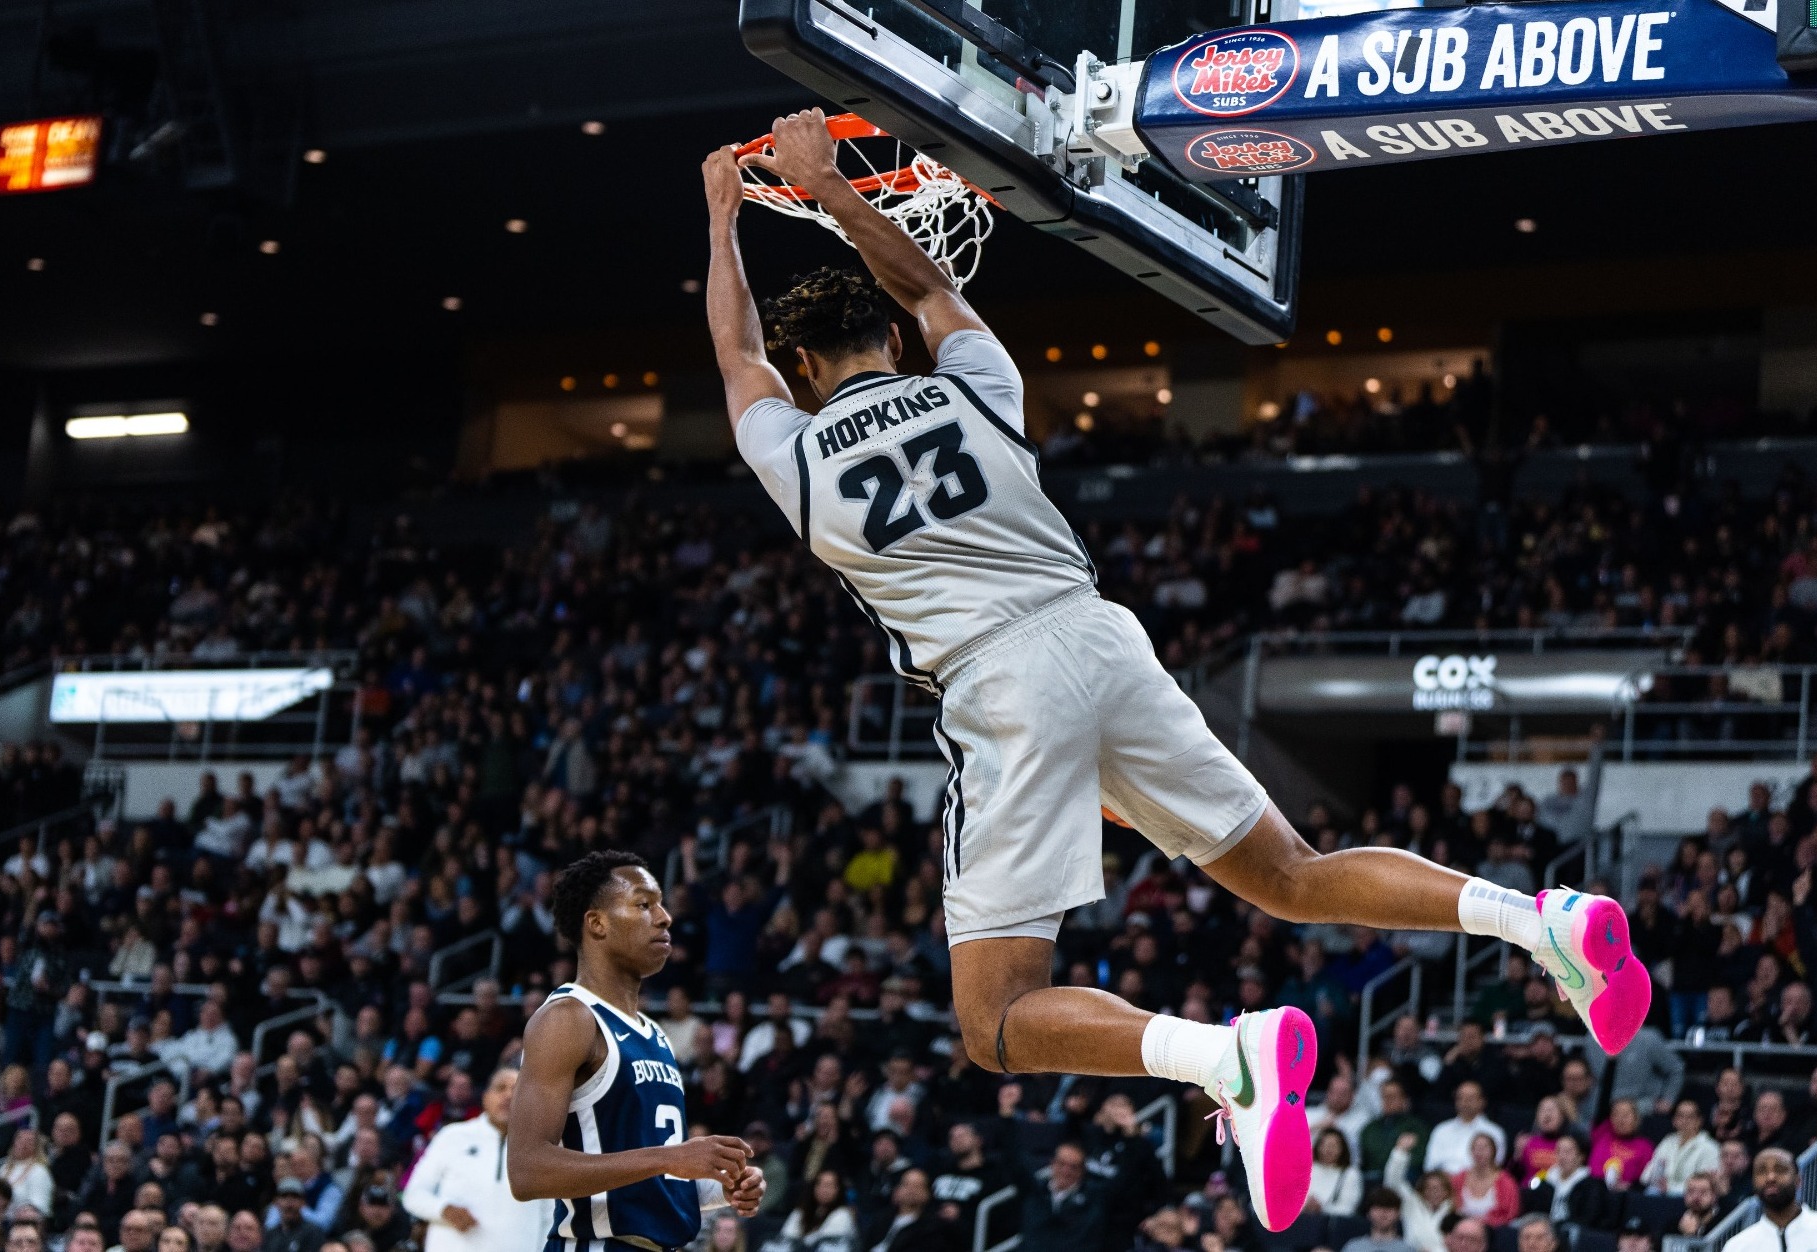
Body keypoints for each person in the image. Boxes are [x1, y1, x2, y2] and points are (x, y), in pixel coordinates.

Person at [702, 108, 1648, 1233]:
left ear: (807, 371)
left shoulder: (797, 452)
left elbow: (735, 353)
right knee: (1292, 874)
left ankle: (1226, 1054)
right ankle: (1536, 920)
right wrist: (838, 195)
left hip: (996, 681)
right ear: (897, 344)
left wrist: (726, 218)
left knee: (993, 1022)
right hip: (1102, 636)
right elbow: (930, 290)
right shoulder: (976, 382)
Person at [510, 850, 766, 1252]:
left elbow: (645, 1185)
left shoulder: (655, 1033)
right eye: (644, 905)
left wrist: (719, 1185)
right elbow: (527, 1172)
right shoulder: (567, 1019)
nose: (664, 916)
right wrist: (668, 1158)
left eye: (662, 904)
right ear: (597, 923)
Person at [402, 1068, 549, 1252]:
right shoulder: (453, 1136)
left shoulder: (542, 1149)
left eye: (517, 1089)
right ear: (486, 1097)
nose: (508, 1095)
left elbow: (550, 1218)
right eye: (500, 1088)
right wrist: (443, 1210)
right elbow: (413, 1194)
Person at [1720, 1149, 1817, 1252]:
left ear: (1798, 1180)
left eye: (1780, 1169)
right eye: (1762, 1171)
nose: (1771, 1177)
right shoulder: (1737, 1246)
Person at [864, 1168, 954, 1252]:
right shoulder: (882, 1218)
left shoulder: (932, 1228)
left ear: (927, 1194)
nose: (911, 1190)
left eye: (917, 1186)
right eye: (906, 1185)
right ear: (897, 1190)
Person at [1425, 1084, 1505, 1178]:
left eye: (1470, 1098)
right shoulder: (1441, 1129)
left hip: (1475, 1183)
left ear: (1482, 1101)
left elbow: (1495, 1166)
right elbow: (1429, 1166)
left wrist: (1462, 1180)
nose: (1464, 1102)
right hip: (1443, 1184)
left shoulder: (1494, 1132)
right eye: (1460, 1098)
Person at [1641, 1100, 1720, 1194]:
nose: (1685, 1121)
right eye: (1680, 1116)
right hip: (1660, 1191)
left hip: (1690, 1196)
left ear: (1699, 1121)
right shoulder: (1668, 1141)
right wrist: (1655, 1180)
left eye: (1690, 1117)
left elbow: (1705, 1183)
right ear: (1674, 1120)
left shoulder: (1710, 1147)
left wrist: (1671, 1188)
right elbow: (1647, 1174)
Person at [773, 1170, 857, 1252]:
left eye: (828, 1185)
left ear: (838, 1189)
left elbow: (824, 1245)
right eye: (819, 1184)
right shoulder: (801, 1211)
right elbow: (785, 1238)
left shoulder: (843, 1215)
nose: (823, 1189)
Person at [1452, 1133, 1518, 1226]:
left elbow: (1511, 1214)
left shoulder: (1506, 1181)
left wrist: (1486, 1222)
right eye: (1476, 1148)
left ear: (1493, 1151)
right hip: (1462, 1229)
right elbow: (1450, 1208)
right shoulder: (1458, 1178)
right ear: (1470, 1151)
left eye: (1484, 1147)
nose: (1479, 1151)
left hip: (1494, 1231)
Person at [1307, 1128, 1362, 1217]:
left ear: (1342, 1149)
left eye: (1334, 1145)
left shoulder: (1350, 1174)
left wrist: (1322, 1208)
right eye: (1325, 1144)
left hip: (1333, 1224)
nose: (1329, 1149)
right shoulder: (1306, 1170)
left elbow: (1349, 1208)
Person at [1341, 1188, 1414, 1252]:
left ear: (1398, 1214)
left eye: (1389, 1208)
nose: (1383, 1213)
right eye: (1378, 1208)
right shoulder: (1353, 1247)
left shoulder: (1407, 1249)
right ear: (1368, 1213)